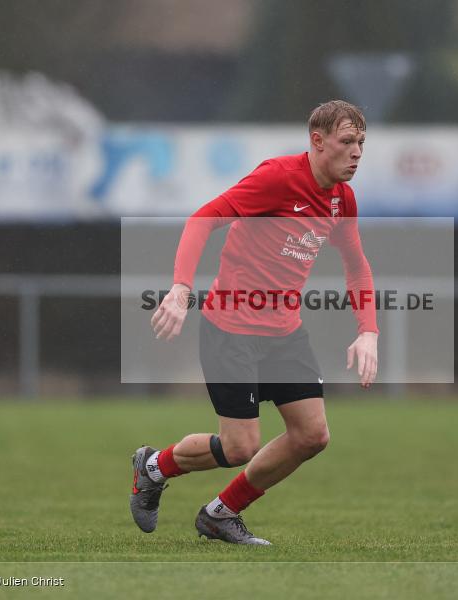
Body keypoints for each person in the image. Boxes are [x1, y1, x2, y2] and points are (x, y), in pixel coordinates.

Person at [131, 100, 378, 545]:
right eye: (347, 142)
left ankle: (220, 513)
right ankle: (153, 466)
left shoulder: (343, 199)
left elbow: (357, 266)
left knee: (312, 435)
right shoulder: (279, 178)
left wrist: (368, 331)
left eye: (361, 143)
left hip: (285, 334)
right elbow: (203, 219)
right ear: (318, 142)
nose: (357, 152)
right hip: (232, 329)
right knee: (240, 445)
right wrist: (181, 287)